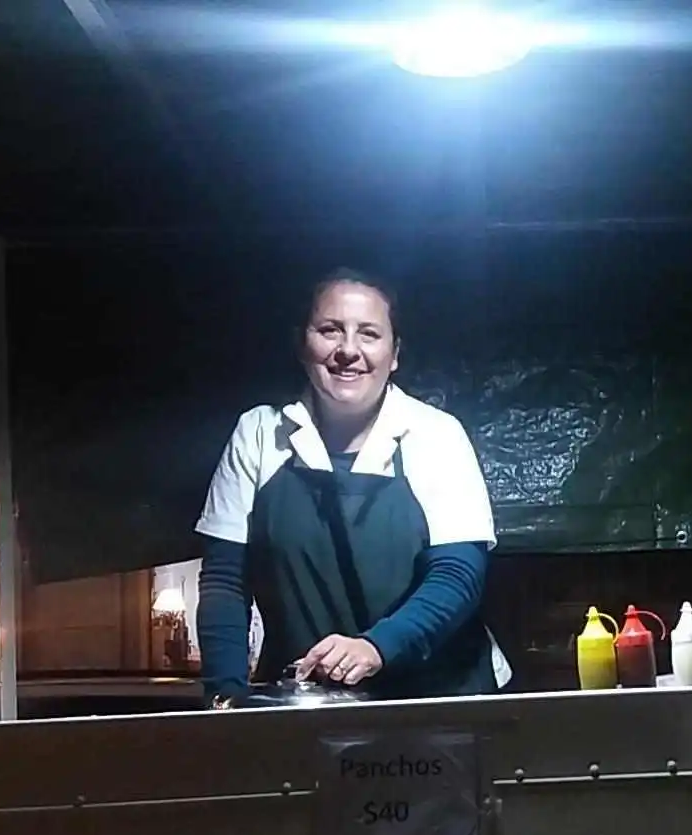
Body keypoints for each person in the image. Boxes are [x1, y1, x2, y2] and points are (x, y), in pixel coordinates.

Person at [194, 269, 508, 705]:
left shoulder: (436, 435)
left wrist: (377, 647)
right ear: (302, 344)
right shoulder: (260, 434)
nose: (348, 350)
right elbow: (225, 581)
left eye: (369, 334)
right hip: (307, 704)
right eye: (330, 330)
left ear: (394, 354)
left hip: (440, 698)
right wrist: (225, 698)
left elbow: (458, 575)